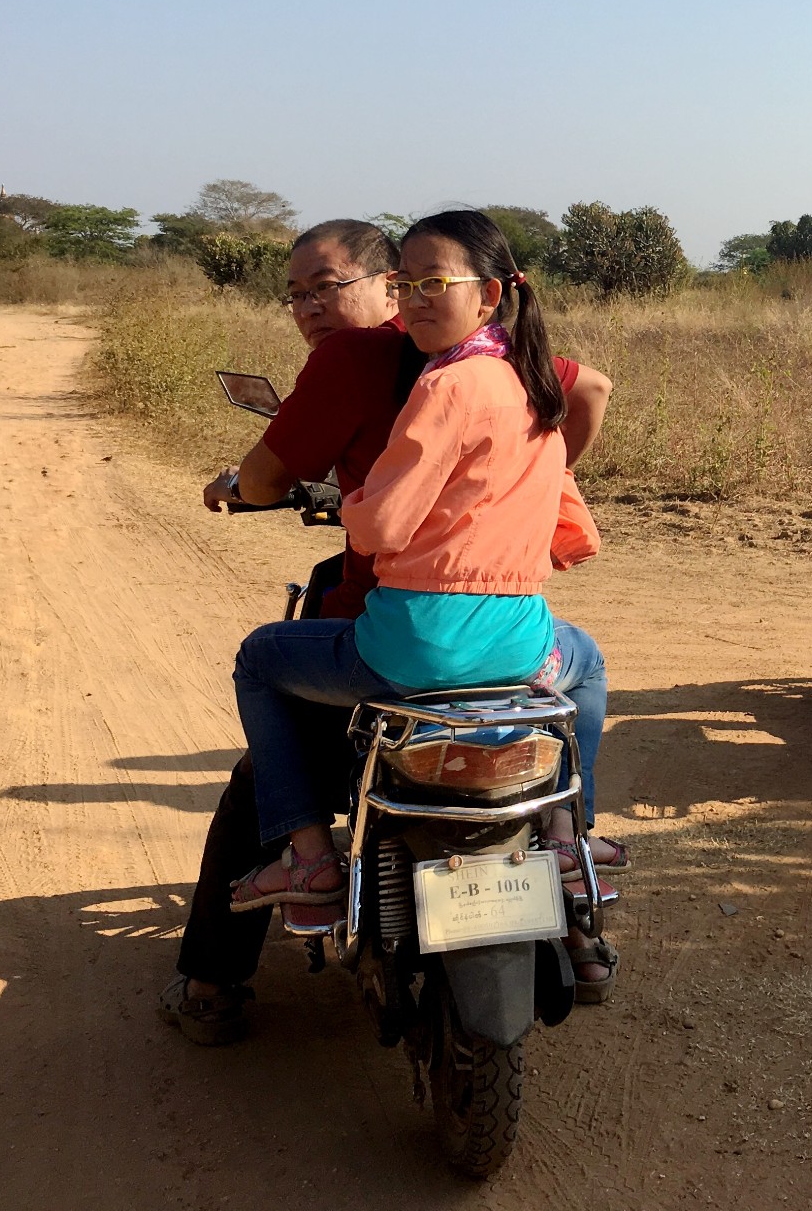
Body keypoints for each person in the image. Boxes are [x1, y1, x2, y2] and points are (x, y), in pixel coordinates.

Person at [162, 217, 617, 1044]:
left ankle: (219, 969)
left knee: (258, 762)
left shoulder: (361, 359)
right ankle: (576, 894)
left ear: (387, 284)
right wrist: (514, 487)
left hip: (391, 628)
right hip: (513, 633)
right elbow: (590, 391)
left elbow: (276, 480)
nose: (307, 308)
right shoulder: (502, 363)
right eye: (294, 294)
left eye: (327, 287)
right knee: (573, 685)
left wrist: (248, 487)